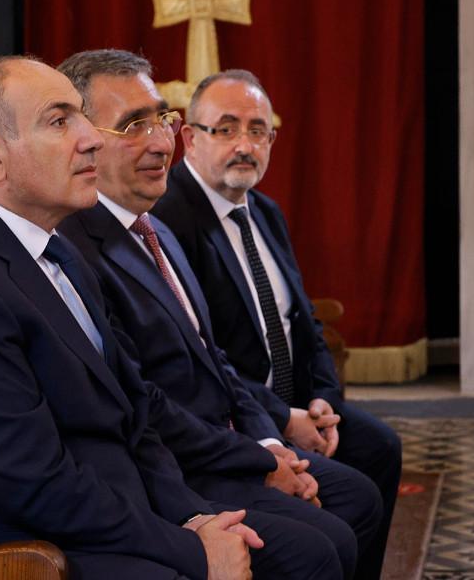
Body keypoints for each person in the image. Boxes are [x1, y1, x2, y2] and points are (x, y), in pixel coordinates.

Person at [0, 56, 336, 580]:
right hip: (21, 556)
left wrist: (193, 516)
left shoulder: (57, 252)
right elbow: (37, 484)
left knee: (314, 548)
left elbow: (135, 414)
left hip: (109, 511)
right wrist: (191, 549)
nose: (91, 138)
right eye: (60, 121)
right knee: (305, 555)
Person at [57, 49, 387, 580]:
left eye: (161, 119)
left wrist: (271, 441)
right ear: (83, 139)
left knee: (361, 494)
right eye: (134, 126)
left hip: (236, 435)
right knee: (323, 546)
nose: (160, 142)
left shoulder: (155, 229)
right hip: (184, 466)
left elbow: (220, 358)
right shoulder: (78, 248)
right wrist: (261, 456)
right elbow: (143, 402)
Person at [152, 69, 404, 579]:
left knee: (381, 448)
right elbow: (206, 357)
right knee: (347, 506)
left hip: (298, 404)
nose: (244, 145)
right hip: (240, 418)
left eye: (258, 131)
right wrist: (284, 419)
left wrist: (324, 400)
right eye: (226, 129)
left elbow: (303, 320)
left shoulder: (264, 211)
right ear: (190, 138)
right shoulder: (168, 218)